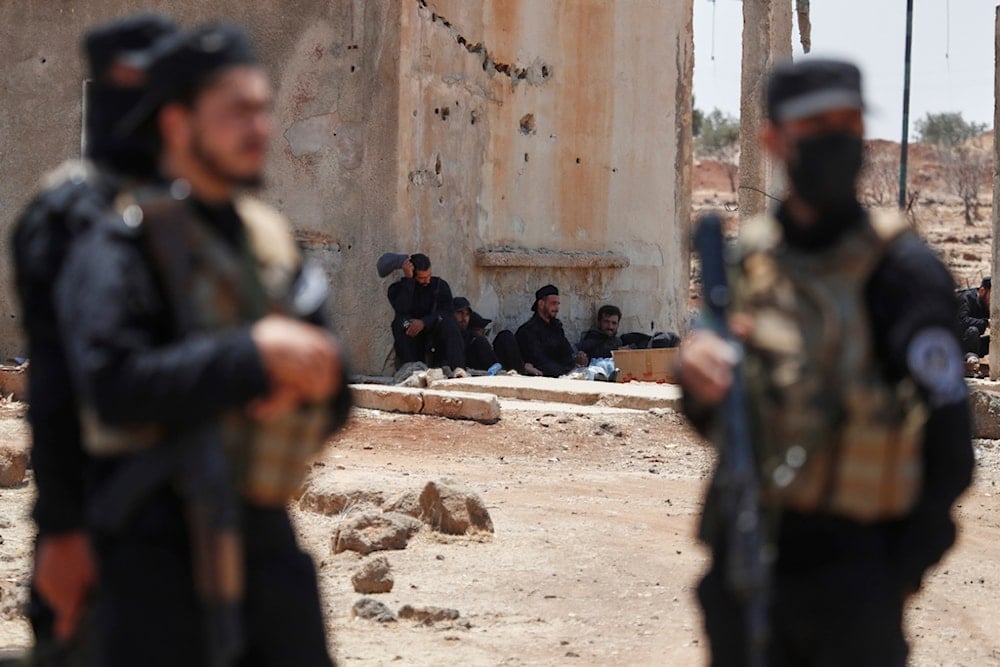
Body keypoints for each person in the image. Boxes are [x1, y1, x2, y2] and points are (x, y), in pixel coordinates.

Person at [56, 23, 351, 666]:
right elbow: (112, 386)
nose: (258, 127)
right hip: (154, 548)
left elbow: (334, 390)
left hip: (267, 547)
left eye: (262, 109)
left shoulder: (271, 244)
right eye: (235, 110)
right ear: (177, 124)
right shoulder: (119, 246)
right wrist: (252, 359)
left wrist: (322, 380)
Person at [678, 58, 974, 666]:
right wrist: (697, 382)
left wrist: (893, 576)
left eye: (849, 123)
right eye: (817, 126)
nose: (837, 139)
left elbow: (951, 453)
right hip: (747, 563)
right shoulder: (750, 268)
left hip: (855, 578)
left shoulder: (903, 272)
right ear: (773, 139)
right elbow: (726, 420)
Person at [10, 13, 178, 659]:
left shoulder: (178, 202)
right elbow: (54, 385)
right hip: (99, 507)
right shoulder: (71, 206)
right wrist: (61, 527)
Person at [387, 253, 465, 371]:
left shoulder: (440, 286)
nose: (427, 280)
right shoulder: (397, 289)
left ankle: (458, 368)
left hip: (433, 325)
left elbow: (446, 312)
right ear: (412, 275)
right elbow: (401, 309)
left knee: (448, 322)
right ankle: (410, 368)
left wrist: (424, 322)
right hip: (411, 326)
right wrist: (408, 282)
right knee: (399, 323)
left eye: (429, 275)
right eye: (422, 278)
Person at [515, 284, 588, 377]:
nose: (557, 308)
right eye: (553, 303)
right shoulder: (528, 331)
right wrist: (567, 371)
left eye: (558, 304)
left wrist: (578, 359)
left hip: (563, 372)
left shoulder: (556, 328)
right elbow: (539, 361)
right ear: (541, 304)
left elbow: (566, 353)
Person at [452, 297, 527, 373]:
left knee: (506, 337)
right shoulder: (471, 340)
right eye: (460, 313)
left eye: (467, 314)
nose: (464, 318)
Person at [957, 276, 990, 362]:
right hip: (958, 345)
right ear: (982, 291)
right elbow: (962, 320)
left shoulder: (986, 305)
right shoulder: (966, 298)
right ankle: (970, 359)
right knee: (973, 330)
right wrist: (986, 323)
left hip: (975, 344)